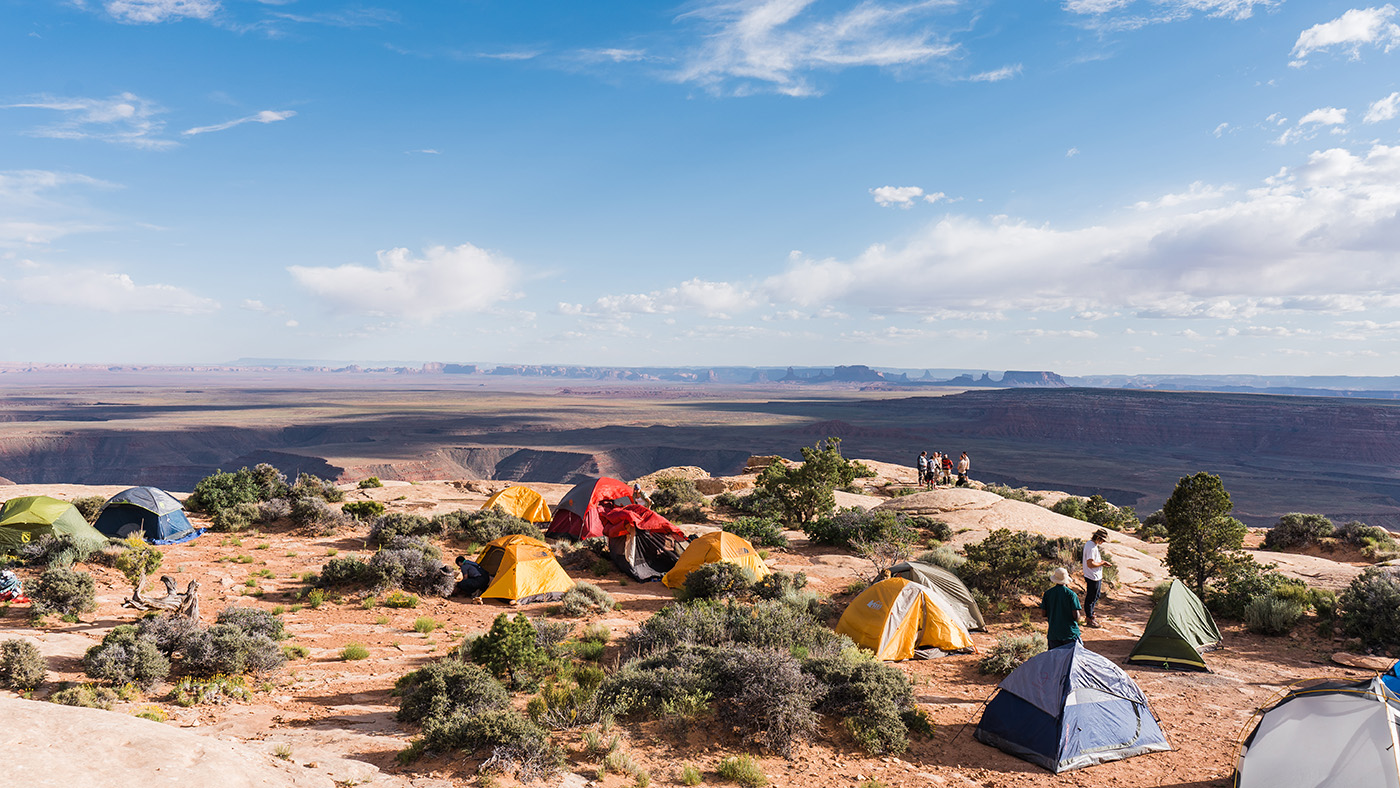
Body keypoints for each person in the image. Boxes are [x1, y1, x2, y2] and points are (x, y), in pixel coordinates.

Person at [1041, 566, 1082, 648]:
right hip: (1069, 633)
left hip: (1053, 634)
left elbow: (1043, 613)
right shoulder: (1071, 594)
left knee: (1055, 659)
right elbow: (1076, 616)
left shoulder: (1047, 594)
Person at [1082, 529, 1109, 627]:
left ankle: (1091, 615)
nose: (1103, 542)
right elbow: (1090, 564)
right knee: (1091, 597)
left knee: (1096, 596)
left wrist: (1102, 562)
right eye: (1102, 540)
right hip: (1092, 576)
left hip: (1095, 576)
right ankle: (1089, 618)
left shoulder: (1092, 545)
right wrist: (1102, 563)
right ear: (1098, 538)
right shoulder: (1091, 547)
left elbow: (1093, 561)